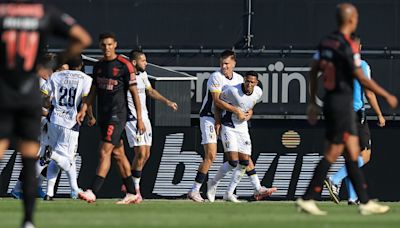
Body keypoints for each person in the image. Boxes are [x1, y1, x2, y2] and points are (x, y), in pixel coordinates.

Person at [296, 3, 397, 215]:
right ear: (351, 20)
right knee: (333, 153)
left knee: (352, 154)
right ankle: (308, 197)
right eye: (356, 16)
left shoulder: (325, 43)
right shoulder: (348, 45)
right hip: (343, 104)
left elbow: (313, 72)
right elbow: (360, 77)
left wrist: (312, 102)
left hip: (332, 103)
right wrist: (386, 95)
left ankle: (364, 202)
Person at [0, 1, 91, 227]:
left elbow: (47, 96)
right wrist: (55, 61)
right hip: (34, 99)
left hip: (10, 92)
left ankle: (59, 189)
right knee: (33, 158)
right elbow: (83, 38)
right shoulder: (43, 12)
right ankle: (29, 221)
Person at [188, 50, 272, 202]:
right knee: (211, 155)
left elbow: (246, 101)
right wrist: (221, 119)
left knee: (243, 157)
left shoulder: (240, 79)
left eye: (226, 64)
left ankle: (257, 187)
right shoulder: (216, 77)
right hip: (209, 117)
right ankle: (195, 190)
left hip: (230, 120)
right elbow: (217, 102)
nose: (224, 66)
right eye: (221, 63)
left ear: (234, 64)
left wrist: (249, 111)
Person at [78, 32, 145, 204]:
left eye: (109, 44)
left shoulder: (124, 65)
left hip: (118, 115)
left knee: (104, 151)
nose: (106, 48)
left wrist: (139, 117)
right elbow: (93, 90)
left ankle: (93, 190)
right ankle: (132, 192)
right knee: (118, 154)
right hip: (104, 115)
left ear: (115, 44)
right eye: (103, 45)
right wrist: (84, 108)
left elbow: (134, 93)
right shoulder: (98, 65)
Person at [324, 34, 386, 205]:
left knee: (352, 157)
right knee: (364, 156)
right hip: (354, 114)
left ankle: (352, 197)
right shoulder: (361, 65)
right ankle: (334, 179)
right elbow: (369, 92)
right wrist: (380, 114)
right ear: (359, 48)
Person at [208, 71, 274, 203]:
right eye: (247, 81)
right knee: (233, 162)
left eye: (252, 82)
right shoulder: (233, 91)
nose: (249, 84)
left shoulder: (258, 92)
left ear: (256, 83)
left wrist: (250, 113)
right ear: (244, 80)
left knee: (244, 162)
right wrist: (218, 120)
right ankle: (213, 182)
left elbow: (249, 106)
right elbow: (218, 103)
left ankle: (228, 193)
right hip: (229, 125)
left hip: (243, 127)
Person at [122, 50, 178, 202]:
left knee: (146, 154)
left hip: (144, 118)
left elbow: (150, 91)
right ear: (134, 62)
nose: (146, 63)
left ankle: (130, 183)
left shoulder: (143, 75)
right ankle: (134, 189)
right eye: (143, 60)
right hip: (133, 119)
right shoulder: (126, 77)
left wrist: (167, 102)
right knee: (140, 153)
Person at [40, 55, 92, 201]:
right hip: (71, 122)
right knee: (67, 160)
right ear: (81, 65)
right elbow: (87, 100)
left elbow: (44, 97)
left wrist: (48, 104)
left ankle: (49, 193)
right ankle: (74, 190)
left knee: (59, 157)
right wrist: (90, 115)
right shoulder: (85, 79)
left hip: (54, 120)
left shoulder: (56, 76)